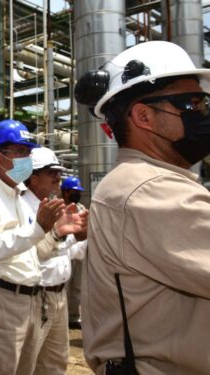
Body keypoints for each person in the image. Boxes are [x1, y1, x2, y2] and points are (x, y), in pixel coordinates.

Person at [74, 40, 210, 374]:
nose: (202, 113)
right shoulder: (146, 190)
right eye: (190, 104)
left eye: (203, 102)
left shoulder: (157, 182)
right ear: (144, 116)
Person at [0, 119, 84, 375]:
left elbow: (31, 253)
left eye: (28, 152)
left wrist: (58, 233)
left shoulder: (14, 194)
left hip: (28, 300)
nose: (27, 159)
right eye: (21, 152)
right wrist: (38, 228)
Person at [22, 147, 88, 375]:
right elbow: (29, 253)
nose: (57, 178)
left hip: (59, 296)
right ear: (33, 176)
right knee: (28, 363)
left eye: (58, 173)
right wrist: (58, 233)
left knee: (55, 364)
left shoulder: (55, 206)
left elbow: (66, 252)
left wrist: (87, 236)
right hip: (37, 296)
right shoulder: (21, 207)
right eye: (52, 173)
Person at [59, 176, 86, 330]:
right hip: (64, 251)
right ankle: (61, 319)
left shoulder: (81, 208)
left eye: (78, 192)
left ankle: (73, 317)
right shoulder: (58, 208)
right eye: (73, 191)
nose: (76, 194)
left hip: (79, 252)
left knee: (77, 287)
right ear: (65, 192)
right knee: (63, 286)